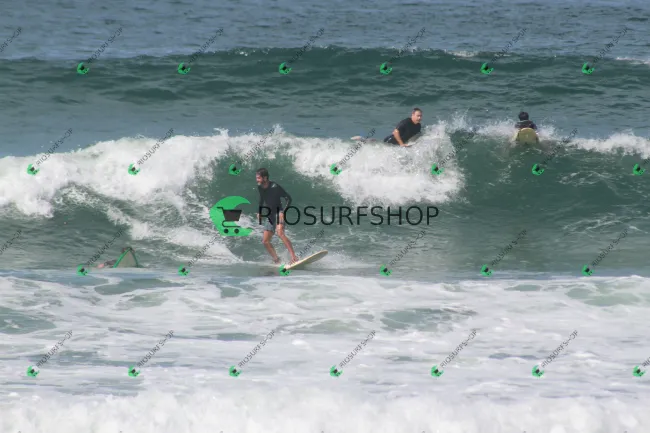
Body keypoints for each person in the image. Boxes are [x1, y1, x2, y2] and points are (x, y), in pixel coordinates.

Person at [255, 168, 299, 264]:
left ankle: (294, 257)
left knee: (280, 233)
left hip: (279, 212)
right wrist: (259, 212)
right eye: (256, 177)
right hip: (270, 214)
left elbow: (288, 198)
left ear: (265, 178)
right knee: (265, 241)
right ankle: (277, 260)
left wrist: (283, 212)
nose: (257, 180)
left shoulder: (275, 186)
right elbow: (261, 199)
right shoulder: (260, 187)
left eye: (258, 178)